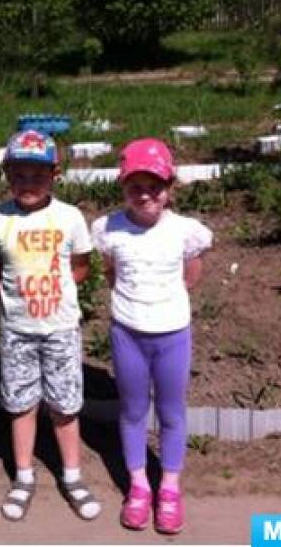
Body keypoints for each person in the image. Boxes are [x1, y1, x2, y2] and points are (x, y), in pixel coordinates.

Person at [0, 129, 102, 523]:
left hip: (60, 327)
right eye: (18, 175)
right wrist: (8, 302)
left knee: (65, 405)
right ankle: (24, 476)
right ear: (6, 175)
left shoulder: (69, 217)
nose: (27, 183)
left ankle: (72, 476)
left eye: (37, 175)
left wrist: (52, 294)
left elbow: (80, 266)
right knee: (21, 404)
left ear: (54, 174)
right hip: (17, 331)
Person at [91, 138, 212, 535]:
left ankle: (170, 488)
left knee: (172, 412)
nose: (145, 195)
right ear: (123, 187)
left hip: (172, 334)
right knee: (132, 411)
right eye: (135, 187)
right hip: (128, 334)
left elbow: (191, 275)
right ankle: (139, 485)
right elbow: (111, 273)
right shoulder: (109, 229)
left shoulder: (185, 231)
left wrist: (164, 306)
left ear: (169, 188)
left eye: (154, 186)